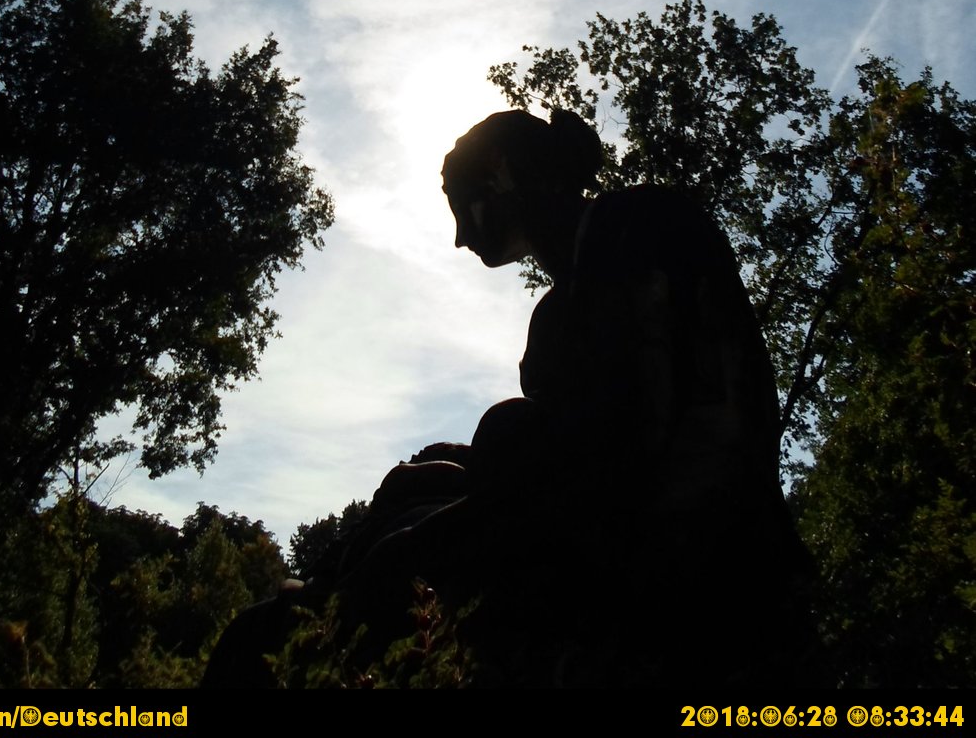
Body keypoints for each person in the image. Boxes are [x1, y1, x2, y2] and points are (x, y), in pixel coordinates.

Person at [204, 108, 818, 687]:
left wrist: (436, 531)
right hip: (594, 510)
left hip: (666, 537)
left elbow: (630, 440)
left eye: (461, 208)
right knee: (418, 477)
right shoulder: (560, 306)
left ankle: (330, 612)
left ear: (502, 174)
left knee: (374, 563)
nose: (458, 237)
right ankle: (327, 590)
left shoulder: (634, 224)